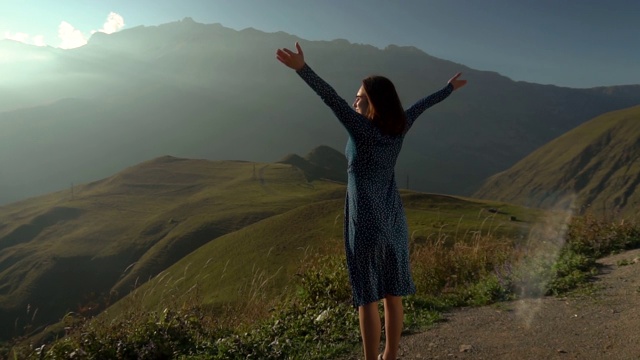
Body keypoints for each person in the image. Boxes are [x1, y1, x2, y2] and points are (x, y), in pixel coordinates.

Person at [276, 42, 467, 360]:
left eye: (361, 99)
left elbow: (330, 99)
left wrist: (302, 69)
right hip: (393, 219)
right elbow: (423, 104)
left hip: (364, 222)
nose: (354, 102)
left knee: (367, 298)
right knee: (393, 295)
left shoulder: (361, 130)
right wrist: (448, 88)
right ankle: (390, 355)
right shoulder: (399, 127)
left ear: (375, 104)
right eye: (356, 98)